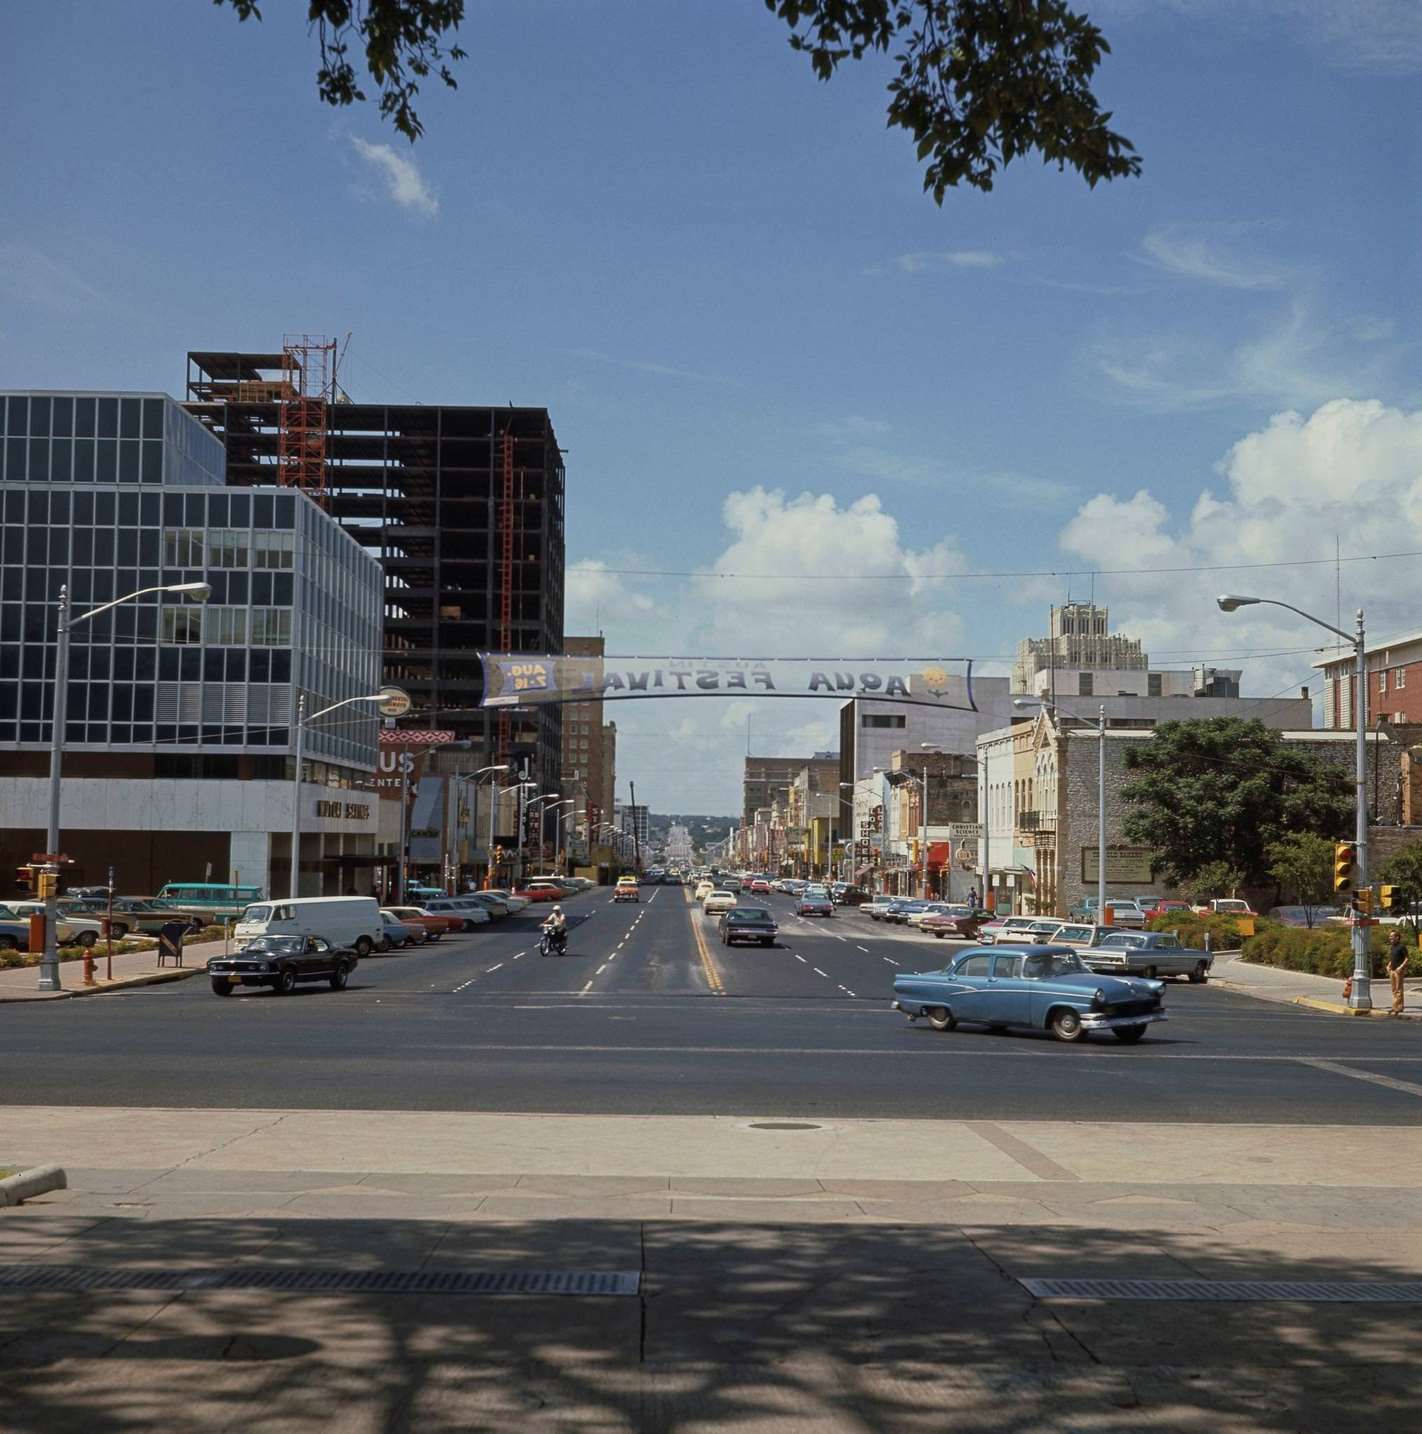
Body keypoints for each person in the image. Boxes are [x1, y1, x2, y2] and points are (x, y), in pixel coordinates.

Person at [1387, 928, 1410, 1016]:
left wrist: (1401, 967)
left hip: (1398, 971)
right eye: (1390, 936)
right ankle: (1398, 1006)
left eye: (1392, 936)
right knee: (1394, 989)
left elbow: (1407, 958)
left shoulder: (1402, 947)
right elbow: (1392, 958)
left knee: (1398, 990)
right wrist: (1388, 965)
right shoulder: (1392, 947)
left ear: (1397, 937)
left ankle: (1396, 1007)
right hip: (1392, 970)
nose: (1390, 938)